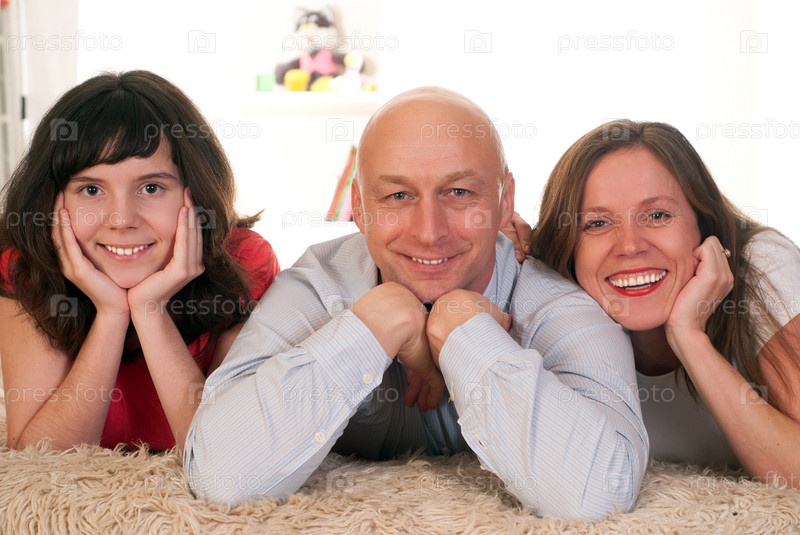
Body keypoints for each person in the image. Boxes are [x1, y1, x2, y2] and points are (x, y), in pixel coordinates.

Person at [184, 87, 648, 519]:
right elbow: (222, 475)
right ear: (359, 206)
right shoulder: (317, 285)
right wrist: (380, 321)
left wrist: (464, 331)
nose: (429, 231)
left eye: (459, 193)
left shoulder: (555, 303)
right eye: (398, 195)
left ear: (505, 201)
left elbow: (599, 493)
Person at [0, 71, 280, 451]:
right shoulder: (25, 265)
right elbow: (37, 455)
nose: (121, 219)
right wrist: (112, 314)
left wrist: (150, 310)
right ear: (52, 200)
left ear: (195, 193)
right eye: (91, 189)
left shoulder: (246, 261)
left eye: (151, 187)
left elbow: (224, 453)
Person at [531, 120, 800, 487]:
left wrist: (688, 336)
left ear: (704, 226)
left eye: (658, 215)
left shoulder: (762, 264)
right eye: (597, 223)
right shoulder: (550, 304)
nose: (630, 245)